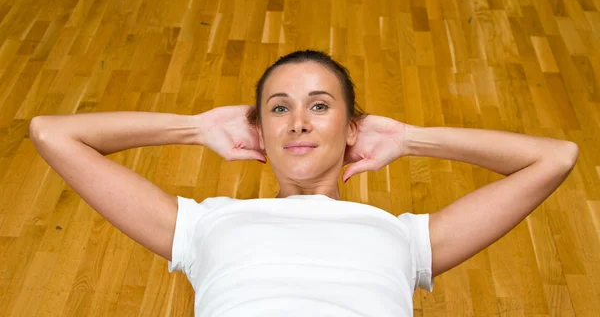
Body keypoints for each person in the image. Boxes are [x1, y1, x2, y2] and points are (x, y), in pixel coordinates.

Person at [29, 49, 579, 317]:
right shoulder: (203, 226)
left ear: (350, 130)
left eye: (319, 106)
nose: (298, 121)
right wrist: (195, 128)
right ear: (258, 131)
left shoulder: (406, 238)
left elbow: (555, 158)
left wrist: (412, 139)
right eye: (278, 108)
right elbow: (52, 134)